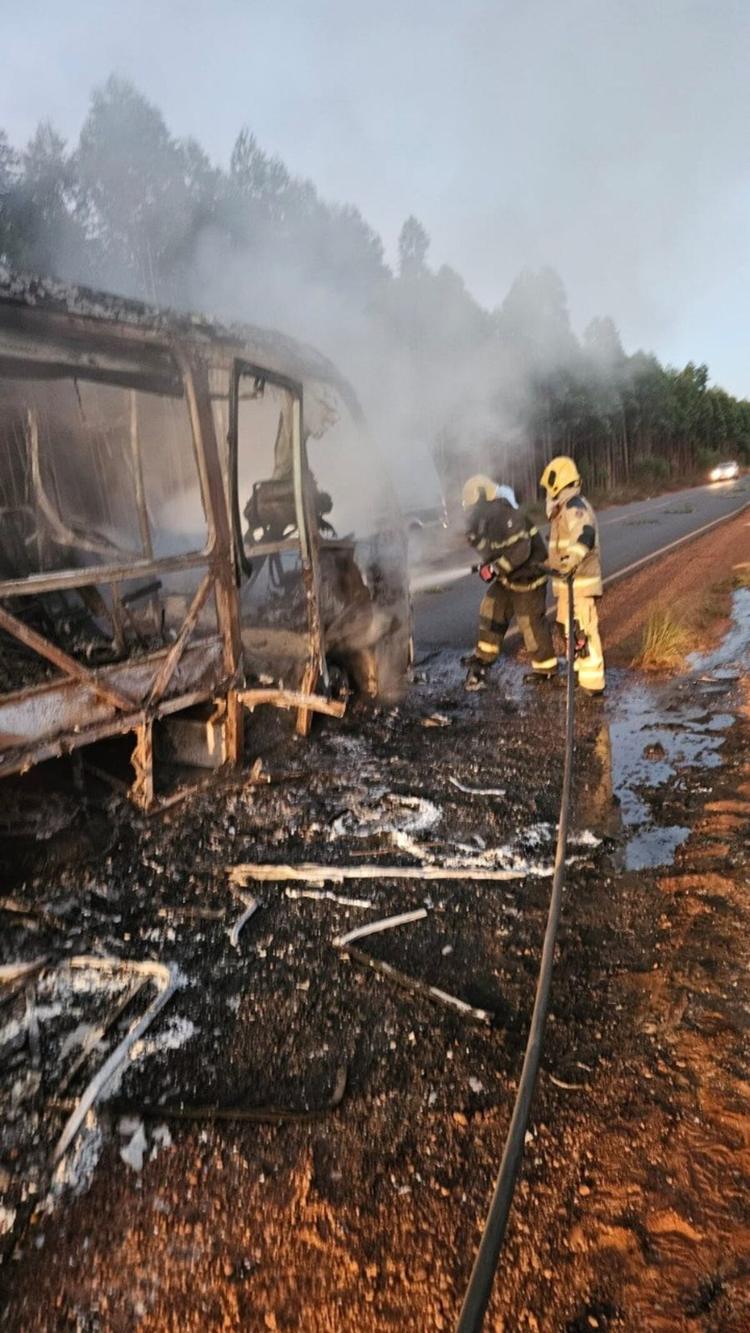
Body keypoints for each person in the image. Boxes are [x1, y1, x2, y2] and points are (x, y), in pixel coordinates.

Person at [462, 474, 557, 691]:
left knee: (530, 624)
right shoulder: (489, 521)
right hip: (509, 578)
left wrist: (495, 569)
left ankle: (546, 670)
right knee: (491, 607)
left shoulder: (507, 516)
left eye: (472, 507)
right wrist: (475, 541)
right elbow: (492, 551)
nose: (471, 512)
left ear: (483, 498)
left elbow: (520, 550)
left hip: (528, 579)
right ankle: (484, 656)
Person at [539, 455, 605, 694]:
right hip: (569, 586)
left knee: (583, 632)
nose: (547, 494)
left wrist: (569, 562)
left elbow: (585, 534)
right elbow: (560, 551)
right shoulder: (563, 511)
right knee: (569, 631)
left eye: (549, 489)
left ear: (558, 484)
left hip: (579, 584)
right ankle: (580, 677)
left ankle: (593, 685)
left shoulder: (574, 506)